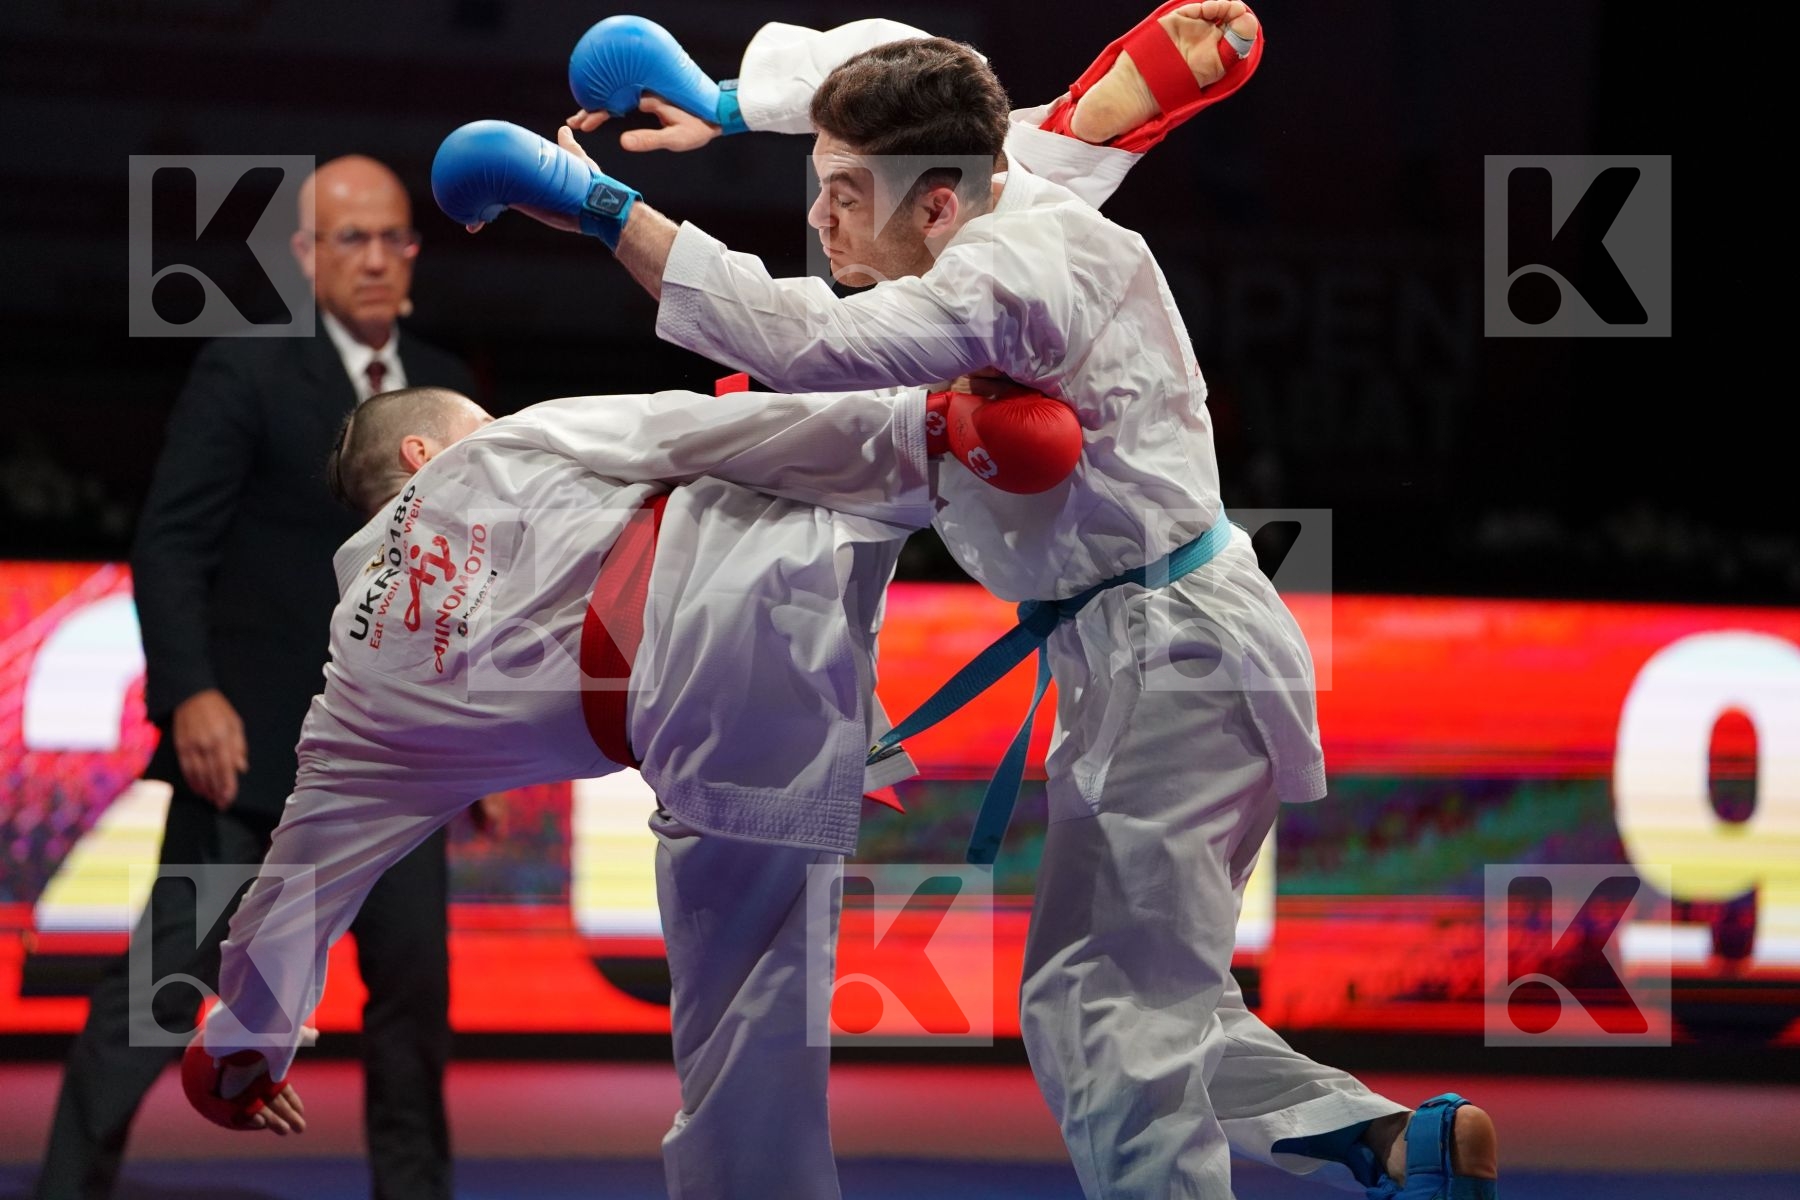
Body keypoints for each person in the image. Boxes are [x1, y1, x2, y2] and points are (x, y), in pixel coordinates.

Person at [430, 6, 1500, 1198]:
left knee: (1122, 1032)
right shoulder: (999, 174)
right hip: (1162, 655)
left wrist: (599, 208)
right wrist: (728, 100)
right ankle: (1385, 1143)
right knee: (1100, 1000)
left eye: (843, 194)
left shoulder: (1003, 279)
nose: (817, 218)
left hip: (1173, 663)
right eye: (815, 184)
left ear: (937, 206)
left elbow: (807, 342)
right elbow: (901, 64)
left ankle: (1343, 1147)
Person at [179, 381, 1080, 1200]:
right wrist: (917, 425)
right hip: (761, 557)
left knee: (751, 1042)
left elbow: (293, 898)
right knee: (804, 400)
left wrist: (239, 1053)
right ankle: (975, 408)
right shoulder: (503, 446)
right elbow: (688, 429)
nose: (490, 421)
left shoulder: (358, 702)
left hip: (720, 742)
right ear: (425, 453)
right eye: (474, 417)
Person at [38, 157, 469, 1200]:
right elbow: (171, 544)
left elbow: (467, 581)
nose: (374, 257)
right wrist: (190, 690)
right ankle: (65, 1187)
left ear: (414, 254)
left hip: (398, 774)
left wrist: (473, 749)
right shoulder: (249, 369)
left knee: (412, 1015)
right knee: (159, 994)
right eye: (349, 238)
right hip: (250, 763)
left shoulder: (449, 392)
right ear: (304, 256)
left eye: (392, 238)